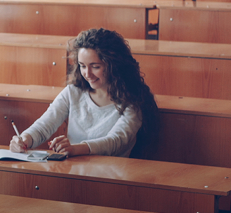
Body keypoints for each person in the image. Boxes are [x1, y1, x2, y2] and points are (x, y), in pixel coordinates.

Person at [10, 28, 157, 158]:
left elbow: (115, 142)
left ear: (114, 66)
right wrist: (24, 139)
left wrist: (76, 149)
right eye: (82, 66)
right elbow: (44, 125)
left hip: (112, 176)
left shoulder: (133, 101)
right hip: (74, 170)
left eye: (95, 66)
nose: (87, 74)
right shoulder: (72, 92)